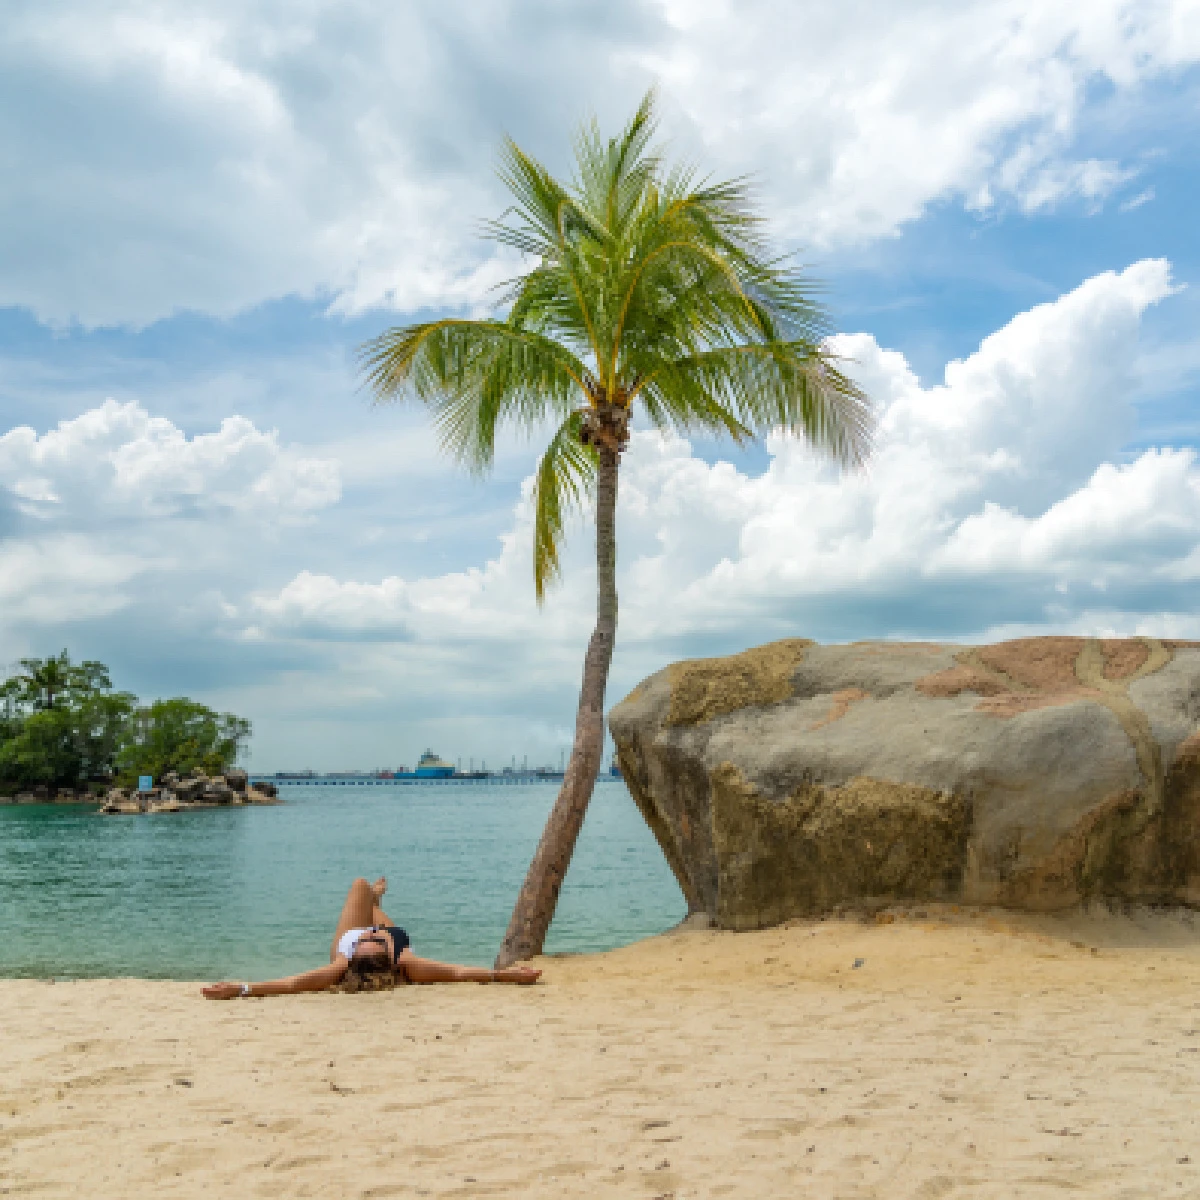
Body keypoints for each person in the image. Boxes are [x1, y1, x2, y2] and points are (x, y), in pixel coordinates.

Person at [201, 876, 540, 999]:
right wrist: (510, 977)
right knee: (376, 912)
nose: (372, 933)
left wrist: (241, 988)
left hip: (344, 940)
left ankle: (371, 897)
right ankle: (376, 902)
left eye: (369, 937)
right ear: (389, 953)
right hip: (396, 936)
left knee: (359, 885)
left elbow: (291, 985)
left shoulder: (342, 960)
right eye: (375, 938)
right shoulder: (406, 960)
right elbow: (461, 973)